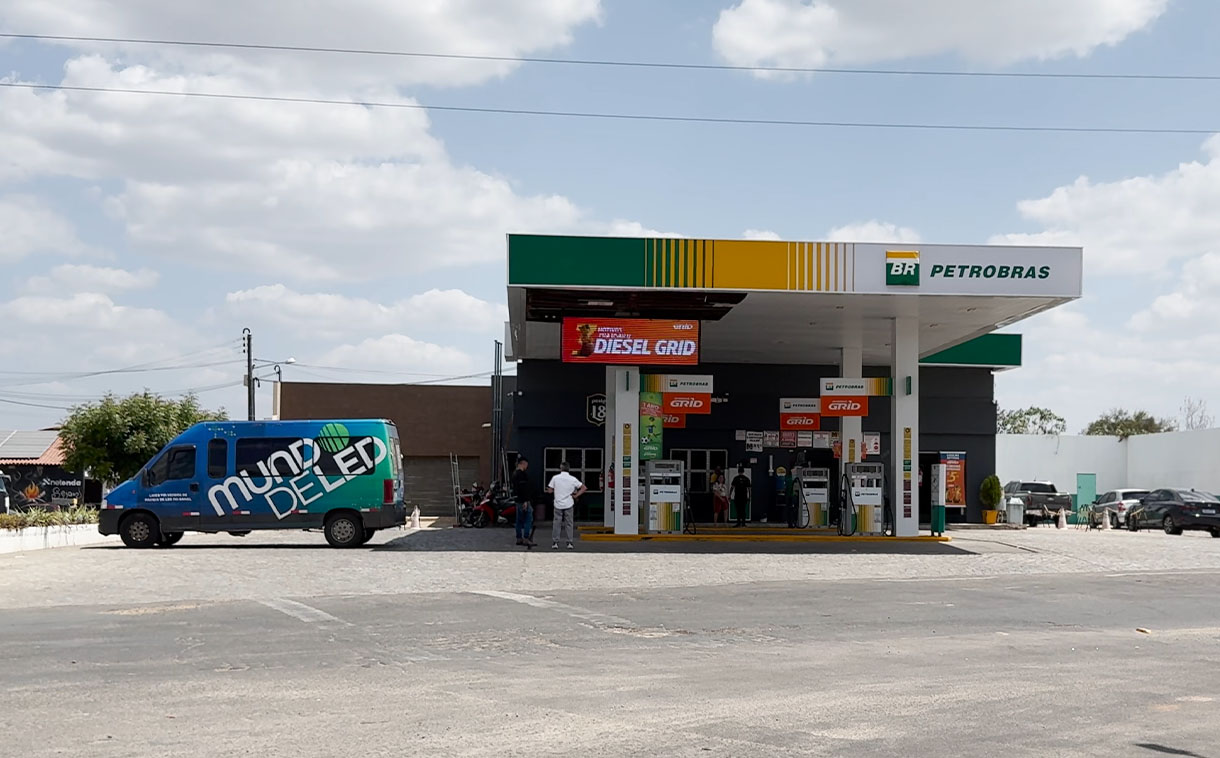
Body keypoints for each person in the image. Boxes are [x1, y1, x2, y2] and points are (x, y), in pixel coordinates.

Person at [546, 462, 586, 550]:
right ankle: (569, 542)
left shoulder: (555, 478)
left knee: (557, 523)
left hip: (558, 504)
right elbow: (584, 488)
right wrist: (576, 495)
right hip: (569, 504)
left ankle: (555, 542)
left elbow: (550, 490)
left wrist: (552, 490)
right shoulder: (573, 479)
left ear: (561, 468)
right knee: (569, 524)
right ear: (569, 469)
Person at [510, 457, 535, 548]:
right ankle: (526, 538)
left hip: (517, 500)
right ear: (522, 464)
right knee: (528, 519)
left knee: (519, 520)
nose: (526, 467)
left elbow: (516, 489)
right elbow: (523, 488)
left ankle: (519, 538)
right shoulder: (522, 475)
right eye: (526, 465)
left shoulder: (514, 474)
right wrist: (525, 500)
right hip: (524, 500)